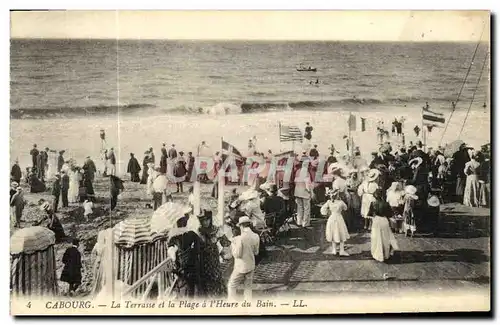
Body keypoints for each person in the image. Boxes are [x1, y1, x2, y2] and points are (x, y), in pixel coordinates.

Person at [197, 210, 231, 297]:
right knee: (204, 277)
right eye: (203, 220)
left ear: (210, 219)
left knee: (215, 276)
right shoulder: (199, 231)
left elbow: (226, 242)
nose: (205, 222)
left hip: (213, 257)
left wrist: (222, 252)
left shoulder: (216, 230)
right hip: (202, 258)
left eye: (207, 219)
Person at [167, 215, 202, 298]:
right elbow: (198, 249)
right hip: (193, 266)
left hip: (181, 269)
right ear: (186, 223)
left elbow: (172, 255)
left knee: (183, 288)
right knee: (192, 289)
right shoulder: (192, 234)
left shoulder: (173, 238)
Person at [227, 216, 260, 302]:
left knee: (232, 285)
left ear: (241, 226)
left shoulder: (240, 238)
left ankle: (232, 303)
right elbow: (256, 252)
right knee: (248, 287)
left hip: (240, 267)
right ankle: (247, 304)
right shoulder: (256, 236)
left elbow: (237, 254)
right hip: (251, 265)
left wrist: (232, 246)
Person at [321, 187, 350, 256]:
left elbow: (323, 209)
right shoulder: (341, 202)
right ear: (338, 195)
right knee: (341, 233)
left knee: (333, 233)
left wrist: (327, 213)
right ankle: (341, 250)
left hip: (331, 218)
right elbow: (345, 208)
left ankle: (334, 249)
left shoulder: (329, 202)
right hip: (339, 218)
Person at [369, 198, 399, 262]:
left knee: (376, 238)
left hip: (376, 220)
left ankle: (377, 254)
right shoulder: (386, 203)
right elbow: (390, 214)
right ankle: (386, 255)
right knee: (385, 238)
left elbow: (370, 214)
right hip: (384, 220)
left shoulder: (373, 203)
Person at [294, 159, 313, 228]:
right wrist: (310, 192)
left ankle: (299, 221)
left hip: (297, 191)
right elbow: (308, 184)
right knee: (306, 208)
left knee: (299, 208)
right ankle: (305, 223)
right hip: (305, 192)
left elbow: (295, 181)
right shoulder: (306, 172)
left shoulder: (297, 171)